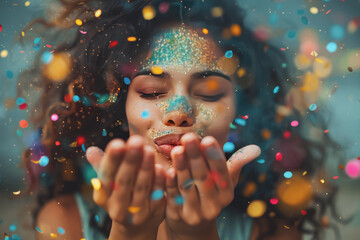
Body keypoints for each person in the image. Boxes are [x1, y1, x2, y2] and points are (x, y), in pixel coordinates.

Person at [18, 0, 342, 239]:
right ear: (118, 108)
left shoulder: (271, 230)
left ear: (241, 113)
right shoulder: (66, 221)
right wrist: (129, 232)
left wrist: (197, 234)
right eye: (151, 91)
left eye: (210, 93)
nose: (179, 113)